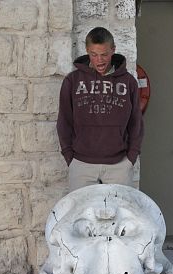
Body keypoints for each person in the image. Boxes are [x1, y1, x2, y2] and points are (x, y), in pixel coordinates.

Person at [57, 27, 143, 192]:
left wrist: (131, 157)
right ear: (87, 51)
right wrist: (70, 156)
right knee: (83, 216)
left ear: (113, 50)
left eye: (104, 54)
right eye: (94, 55)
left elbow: (136, 122)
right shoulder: (72, 81)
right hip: (82, 165)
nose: (99, 60)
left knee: (120, 216)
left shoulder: (128, 82)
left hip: (119, 165)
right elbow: (64, 121)